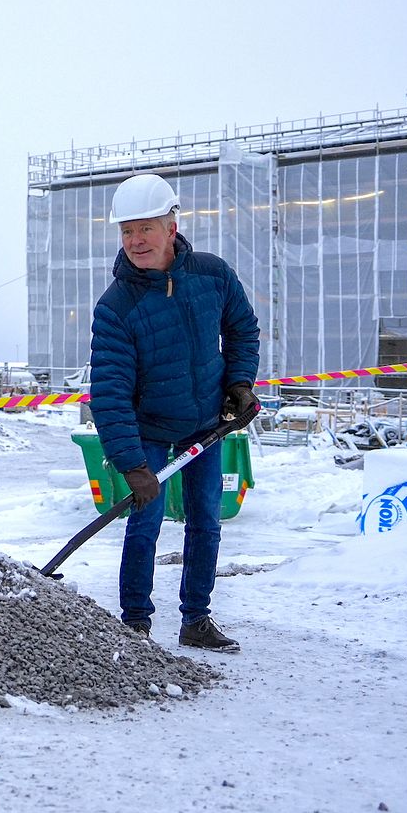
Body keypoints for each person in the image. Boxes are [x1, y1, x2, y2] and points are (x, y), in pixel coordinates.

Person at [90, 172, 261, 652]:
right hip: (147, 428)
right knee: (146, 520)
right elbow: (109, 392)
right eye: (126, 231)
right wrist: (133, 464)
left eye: (145, 228)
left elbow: (243, 331)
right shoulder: (116, 306)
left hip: (205, 424)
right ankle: (135, 625)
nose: (135, 240)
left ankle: (196, 620)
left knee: (205, 519)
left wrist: (239, 384)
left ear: (171, 224)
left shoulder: (212, 275)